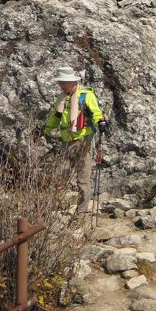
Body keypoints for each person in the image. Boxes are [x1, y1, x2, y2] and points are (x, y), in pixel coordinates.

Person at [44, 66, 107, 213]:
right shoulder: (61, 98)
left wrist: (101, 122)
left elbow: (96, 112)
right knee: (59, 175)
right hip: (67, 141)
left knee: (83, 178)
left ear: (72, 82)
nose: (61, 85)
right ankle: (52, 209)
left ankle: (81, 212)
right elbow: (55, 117)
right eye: (60, 82)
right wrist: (45, 130)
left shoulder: (86, 95)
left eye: (63, 82)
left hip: (83, 139)